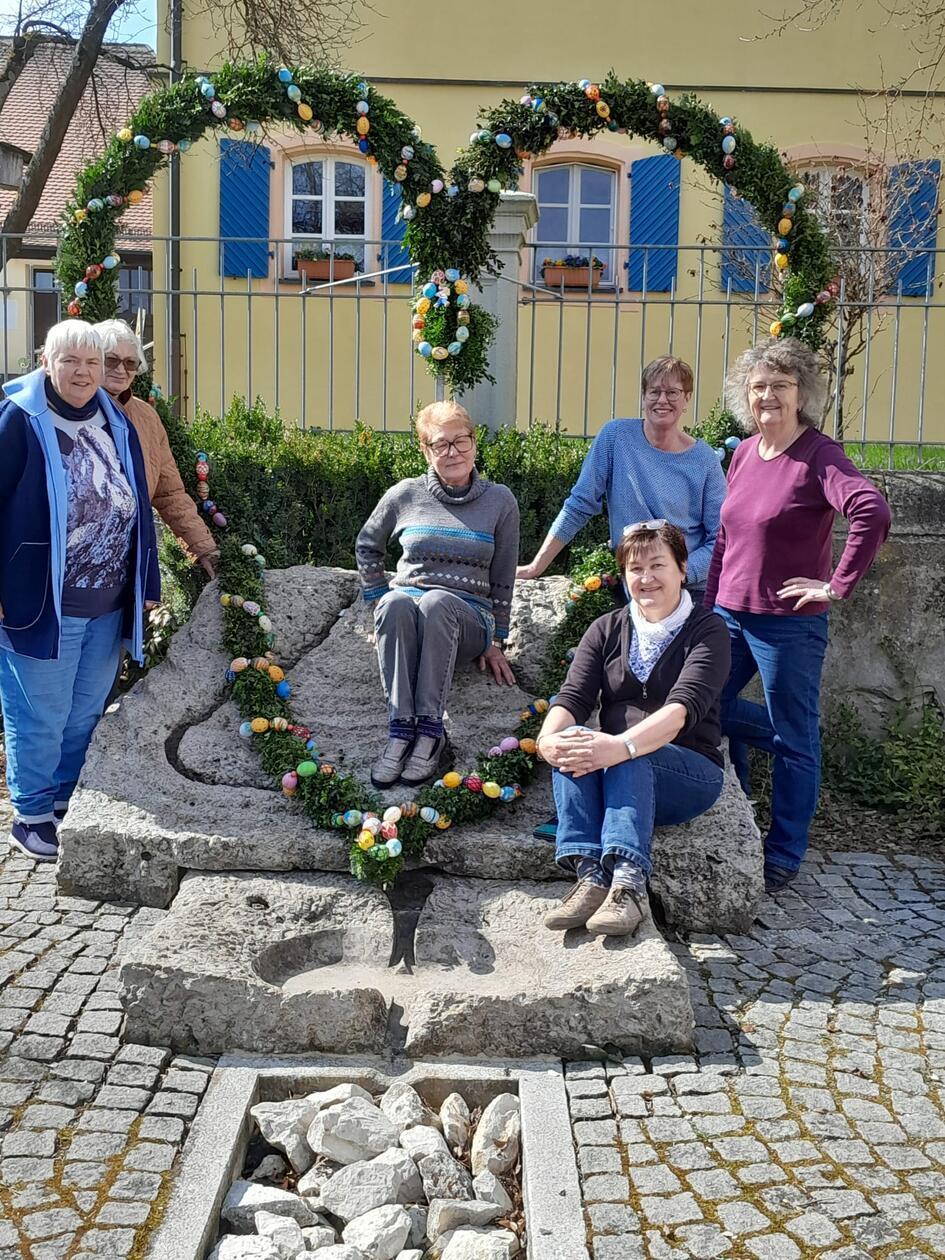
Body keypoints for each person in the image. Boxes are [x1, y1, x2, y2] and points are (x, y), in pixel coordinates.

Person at [705, 337, 891, 893]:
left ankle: (783, 850)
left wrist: (836, 586)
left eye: (780, 387)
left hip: (787, 623)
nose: (768, 396)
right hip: (729, 615)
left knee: (794, 738)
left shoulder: (819, 455)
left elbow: (871, 511)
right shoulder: (741, 452)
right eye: (758, 386)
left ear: (801, 394)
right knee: (700, 707)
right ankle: (746, 793)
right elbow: (724, 539)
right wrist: (707, 610)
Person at [0, 320, 159, 862]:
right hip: (42, 601)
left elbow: (137, 501)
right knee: (38, 710)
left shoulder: (115, 417)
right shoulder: (19, 418)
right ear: (47, 361)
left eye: (94, 362)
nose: (85, 372)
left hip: (107, 601)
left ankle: (68, 799)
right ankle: (32, 813)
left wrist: (144, 583)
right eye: (71, 361)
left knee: (86, 709)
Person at [537, 521, 730, 936]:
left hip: (689, 770)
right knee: (573, 743)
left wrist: (620, 746)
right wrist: (549, 740)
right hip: (618, 767)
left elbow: (681, 710)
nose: (646, 578)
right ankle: (590, 875)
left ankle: (629, 883)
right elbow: (572, 699)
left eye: (657, 565)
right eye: (634, 569)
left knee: (629, 754)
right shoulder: (606, 628)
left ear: (682, 568)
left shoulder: (708, 630)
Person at [356, 400, 520, 788]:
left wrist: (496, 639)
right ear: (425, 451)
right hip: (409, 614)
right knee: (397, 601)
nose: (453, 453)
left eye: (460, 441)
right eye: (440, 444)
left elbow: (504, 574)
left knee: (437, 601)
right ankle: (400, 732)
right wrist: (377, 594)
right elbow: (367, 544)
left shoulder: (500, 501)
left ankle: (431, 732)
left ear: (475, 444)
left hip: (468, 621)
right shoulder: (404, 495)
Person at [516, 356, 726, 601]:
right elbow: (579, 504)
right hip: (636, 582)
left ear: (687, 398)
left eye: (672, 392)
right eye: (654, 391)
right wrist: (535, 567)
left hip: (688, 586)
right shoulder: (615, 437)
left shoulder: (703, 460)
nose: (662, 400)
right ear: (643, 397)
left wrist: (678, 573)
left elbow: (720, 537)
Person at [92, 319, 218, 578]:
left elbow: (170, 493)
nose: (121, 370)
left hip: (127, 563)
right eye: (111, 360)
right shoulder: (73, 412)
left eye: (130, 363)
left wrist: (204, 549)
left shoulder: (147, 417)